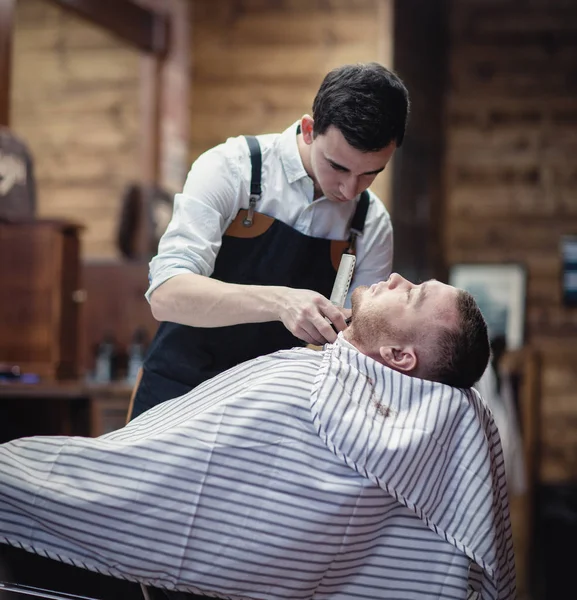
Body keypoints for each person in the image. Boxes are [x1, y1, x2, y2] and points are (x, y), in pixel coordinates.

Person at [0, 275, 515, 600]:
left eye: (414, 295)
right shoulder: (432, 424)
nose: (399, 277)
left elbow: (151, 489)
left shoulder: (311, 402)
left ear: (401, 359)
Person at [131, 62, 410, 419]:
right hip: (179, 391)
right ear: (309, 130)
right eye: (338, 167)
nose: (349, 189)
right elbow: (167, 296)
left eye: (370, 173)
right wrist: (280, 301)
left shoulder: (371, 222)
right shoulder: (231, 169)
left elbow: (363, 345)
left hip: (273, 412)